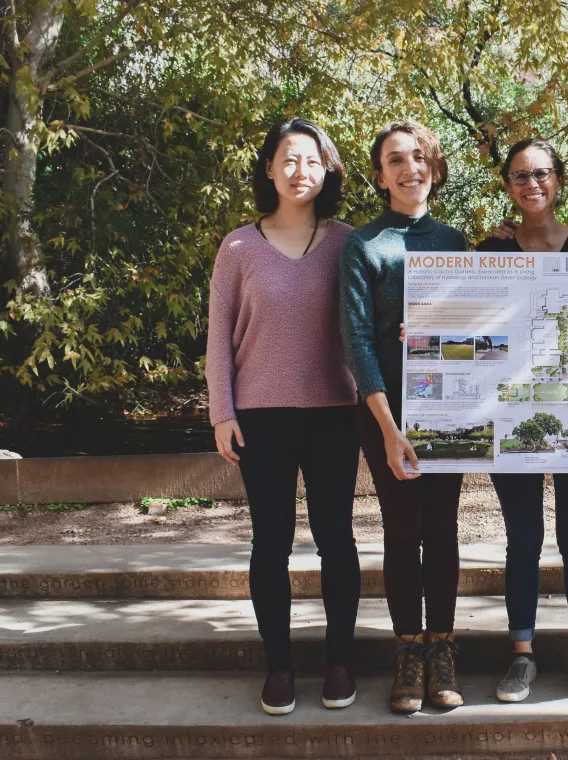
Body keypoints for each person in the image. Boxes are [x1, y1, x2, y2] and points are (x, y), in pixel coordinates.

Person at [206, 118, 360, 716]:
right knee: (270, 543)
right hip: (259, 415)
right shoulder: (238, 246)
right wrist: (223, 411)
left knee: (336, 538)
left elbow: (379, 314)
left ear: (328, 171)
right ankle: (279, 667)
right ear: (269, 168)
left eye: (312, 161)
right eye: (288, 160)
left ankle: (340, 660)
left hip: (333, 413)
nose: (301, 172)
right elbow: (219, 336)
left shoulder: (348, 241)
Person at [477, 139, 568, 703]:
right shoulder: (489, 249)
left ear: (559, 180)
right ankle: (522, 657)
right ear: (507, 185)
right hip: (513, 420)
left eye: (542, 174)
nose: (531, 183)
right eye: (519, 175)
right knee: (522, 539)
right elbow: (467, 323)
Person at [340, 121, 467, 713]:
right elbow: (358, 342)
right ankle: (408, 651)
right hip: (384, 411)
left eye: (418, 157)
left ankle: (442, 647)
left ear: (434, 167)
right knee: (402, 530)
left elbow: (479, 328)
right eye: (395, 160)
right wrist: (390, 430)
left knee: (442, 529)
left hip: (450, 406)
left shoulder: (456, 240)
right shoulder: (363, 245)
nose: (408, 168)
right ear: (380, 174)